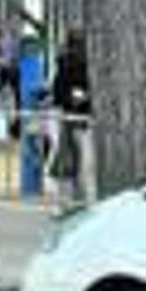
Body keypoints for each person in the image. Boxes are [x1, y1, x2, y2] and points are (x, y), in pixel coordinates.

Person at [50, 30, 93, 201]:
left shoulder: (63, 63)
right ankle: (81, 197)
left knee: (71, 157)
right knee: (81, 159)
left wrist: (68, 100)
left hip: (69, 115)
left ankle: (71, 197)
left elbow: (57, 93)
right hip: (82, 116)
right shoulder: (83, 63)